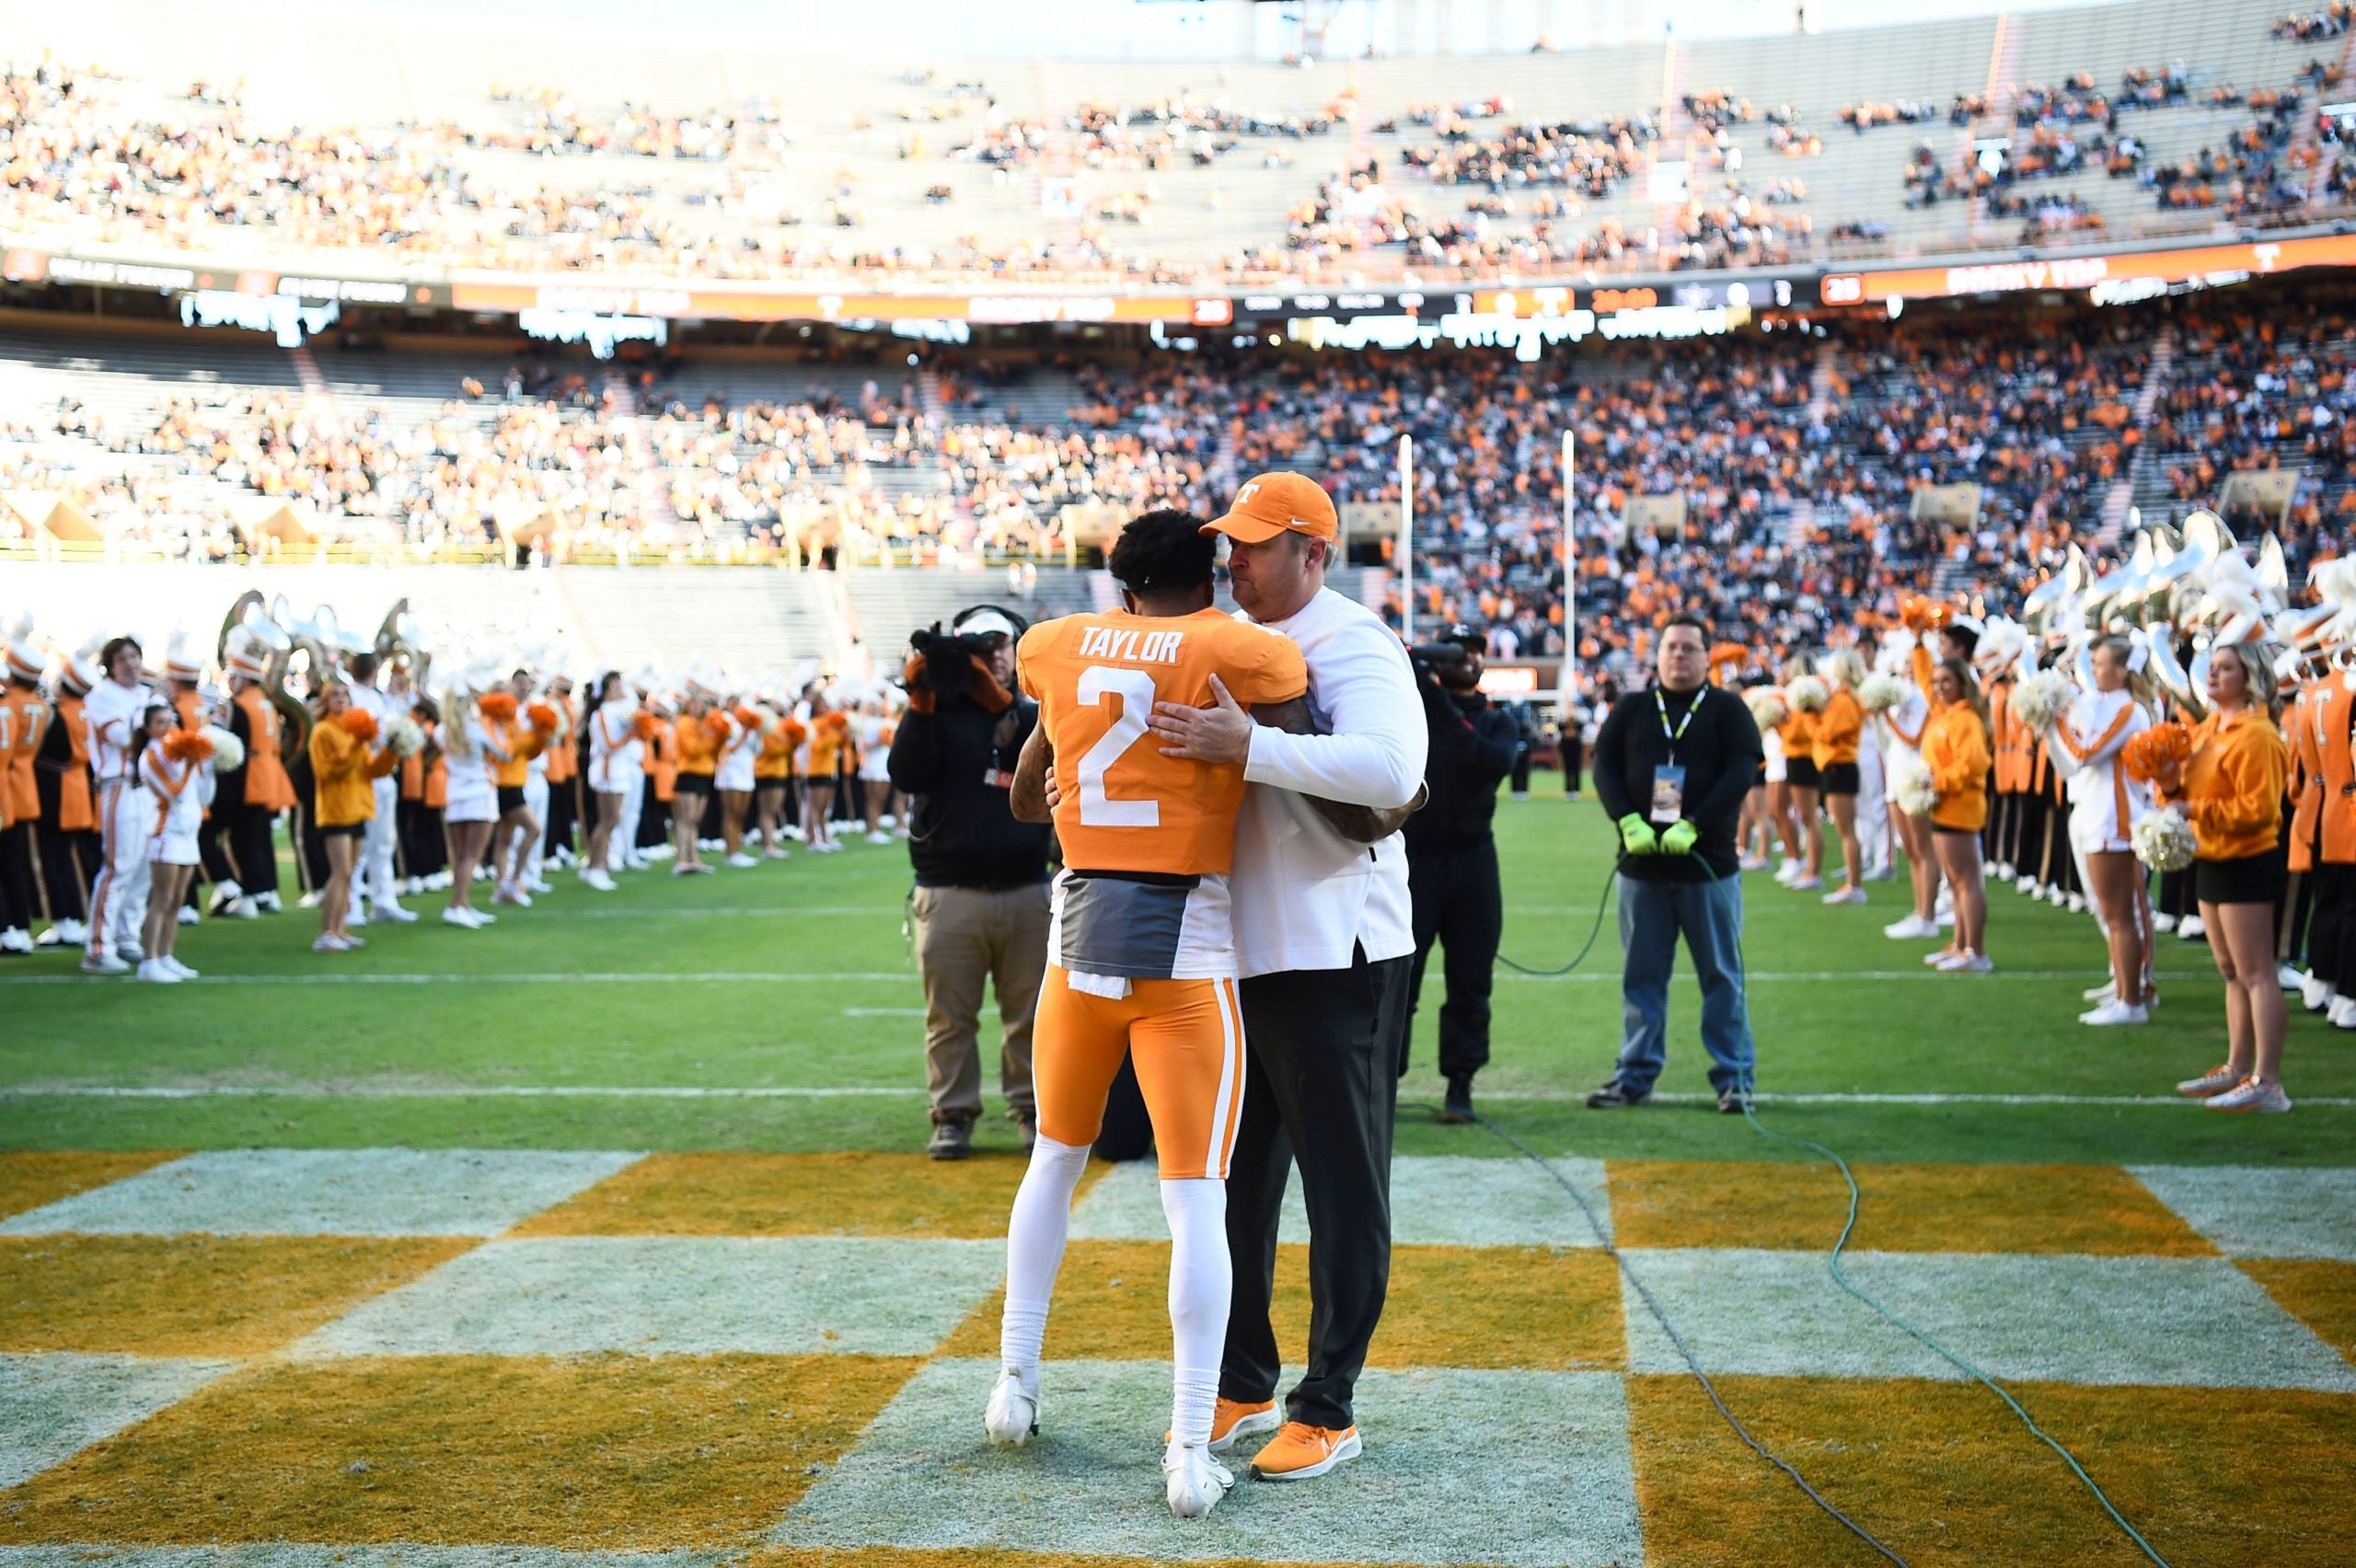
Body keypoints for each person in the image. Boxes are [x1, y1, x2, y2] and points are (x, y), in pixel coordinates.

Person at [988, 507, 1312, 1518]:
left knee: (1054, 1156)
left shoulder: (1051, 645)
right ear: (1212, 570)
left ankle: (1013, 1384)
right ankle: (1183, 1445)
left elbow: (1026, 796)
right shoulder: (1231, 644)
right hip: (1187, 944)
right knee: (1195, 1197)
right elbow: (1294, 712)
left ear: (1118, 578)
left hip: (1077, 934)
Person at [1147, 472, 1426, 1485]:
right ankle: (1246, 1375)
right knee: (1236, 1187)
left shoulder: (1354, 639)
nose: (1237, 559)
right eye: (1235, 542)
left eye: (1259, 545)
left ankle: (1330, 1405)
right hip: (1242, 950)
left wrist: (1251, 746)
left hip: (1333, 951)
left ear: (1315, 553)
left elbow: (1395, 773)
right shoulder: (1236, 633)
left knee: (1341, 1192)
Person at [888, 605, 1052, 1161]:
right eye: (981, 648)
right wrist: (922, 702)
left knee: (1030, 1015)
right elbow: (906, 774)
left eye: (1002, 644)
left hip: (1027, 886)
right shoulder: (936, 711)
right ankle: (952, 1115)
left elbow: (1044, 746)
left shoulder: (1032, 713)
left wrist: (1005, 705)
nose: (994, 656)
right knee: (949, 1017)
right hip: (950, 888)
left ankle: (1032, 1109)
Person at [1586, 616, 1765, 1112]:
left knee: (1722, 978)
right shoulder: (1634, 706)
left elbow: (1741, 770)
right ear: (1657, 655)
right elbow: (1604, 765)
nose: (1678, 657)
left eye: (1689, 648)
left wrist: (1699, 824)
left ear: (1709, 656)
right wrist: (1626, 820)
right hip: (1641, 871)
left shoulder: (1728, 708)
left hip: (1708, 868)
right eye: (1670, 648)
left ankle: (1734, 1079)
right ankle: (1635, 1076)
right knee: (1641, 979)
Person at [2169, 644, 2294, 1113]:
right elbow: (2187, 787)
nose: (2213, 674)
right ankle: (2237, 1066)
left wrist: (2193, 809)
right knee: (2230, 971)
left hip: (2247, 859)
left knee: (2257, 973)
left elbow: (2259, 810)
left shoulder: (2258, 734)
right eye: (2212, 667)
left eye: (2226, 668)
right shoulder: (2207, 729)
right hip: (2213, 855)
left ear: (2250, 677)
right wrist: (2167, 782)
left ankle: (2270, 1082)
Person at [1402, 623, 1519, 1123]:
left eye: (1473, 652)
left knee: (1470, 981)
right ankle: (1384, 1080)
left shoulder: (1495, 719)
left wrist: (1436, 698)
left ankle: (1461, 1084)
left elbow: (1489, 761)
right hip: (1414, 861)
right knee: (1398, 979)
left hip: (1473, 861)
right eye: (1454, 651)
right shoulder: (1409, 710)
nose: (1465, 659)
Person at [2044, 635, 2155, 1023]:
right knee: (2110, 913)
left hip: (2115, 818)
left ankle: (2132, 999)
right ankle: (2124, 988)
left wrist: (2054, 718)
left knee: (2121, 915)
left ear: (2123, 671)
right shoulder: (2107, 704)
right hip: (2097, 813)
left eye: (2101, 662)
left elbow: (2087, 754)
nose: (2093, 669)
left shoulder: (2129, 709)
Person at [307, 680, 398, 954]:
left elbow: (371, 770)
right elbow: (328, 771)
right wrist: (355, 744)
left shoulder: (355, 731)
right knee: (341, 872)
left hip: (359, 807)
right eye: (334, 695)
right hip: (336, 811)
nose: (341, 699)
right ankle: (326, 932)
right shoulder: (322, 731)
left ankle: (339, 928)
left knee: (350, 874)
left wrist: (390, 752)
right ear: (324, 702)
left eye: (344, 694)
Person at [81, 636, 152, 975]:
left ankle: (127, 935)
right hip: (118, 783)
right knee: (118, 865)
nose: (131, 663)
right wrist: (149, 715)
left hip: (146, 786)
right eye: (122, 658)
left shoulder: (144, 694)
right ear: (110, 664)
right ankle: (98, 946)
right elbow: (122, 738)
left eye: (134, 656)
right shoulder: (102, 695)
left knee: (143, 867)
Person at [1919, 659, 1994, 973]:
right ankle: (1960, 943)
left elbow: (1974, 764)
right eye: (1936, 681)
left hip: (1959, 806)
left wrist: (1938, 782)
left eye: (1946, 681)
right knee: (1955, 882)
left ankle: (1975, 951)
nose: (1939, 687)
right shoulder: (1945, 716)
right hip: (1943, 805)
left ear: (1963, 683)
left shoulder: (1966, 720)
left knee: (1967, 881)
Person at [133, 704, 211, 981]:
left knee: (178, 899)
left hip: (188, 833)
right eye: (159, 722)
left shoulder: (178, 752)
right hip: (164, 833)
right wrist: (191, 762)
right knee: (162, 899)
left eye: (169, 721)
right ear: (147, 728)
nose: (166, 727)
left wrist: (205, 763)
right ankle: (149, 961)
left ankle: (166, 956)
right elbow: (174, 793)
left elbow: (200, 793)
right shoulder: (150, 756)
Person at [1813, 648, 1867, 905]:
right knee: (1843, 828)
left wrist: (1814, 717)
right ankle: (1852, 883)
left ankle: (1854, 885)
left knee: (1846, 829)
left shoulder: (1844, 700)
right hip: (1836, 765)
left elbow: (1828, 733)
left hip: (1841, 765)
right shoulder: (1842, 698)